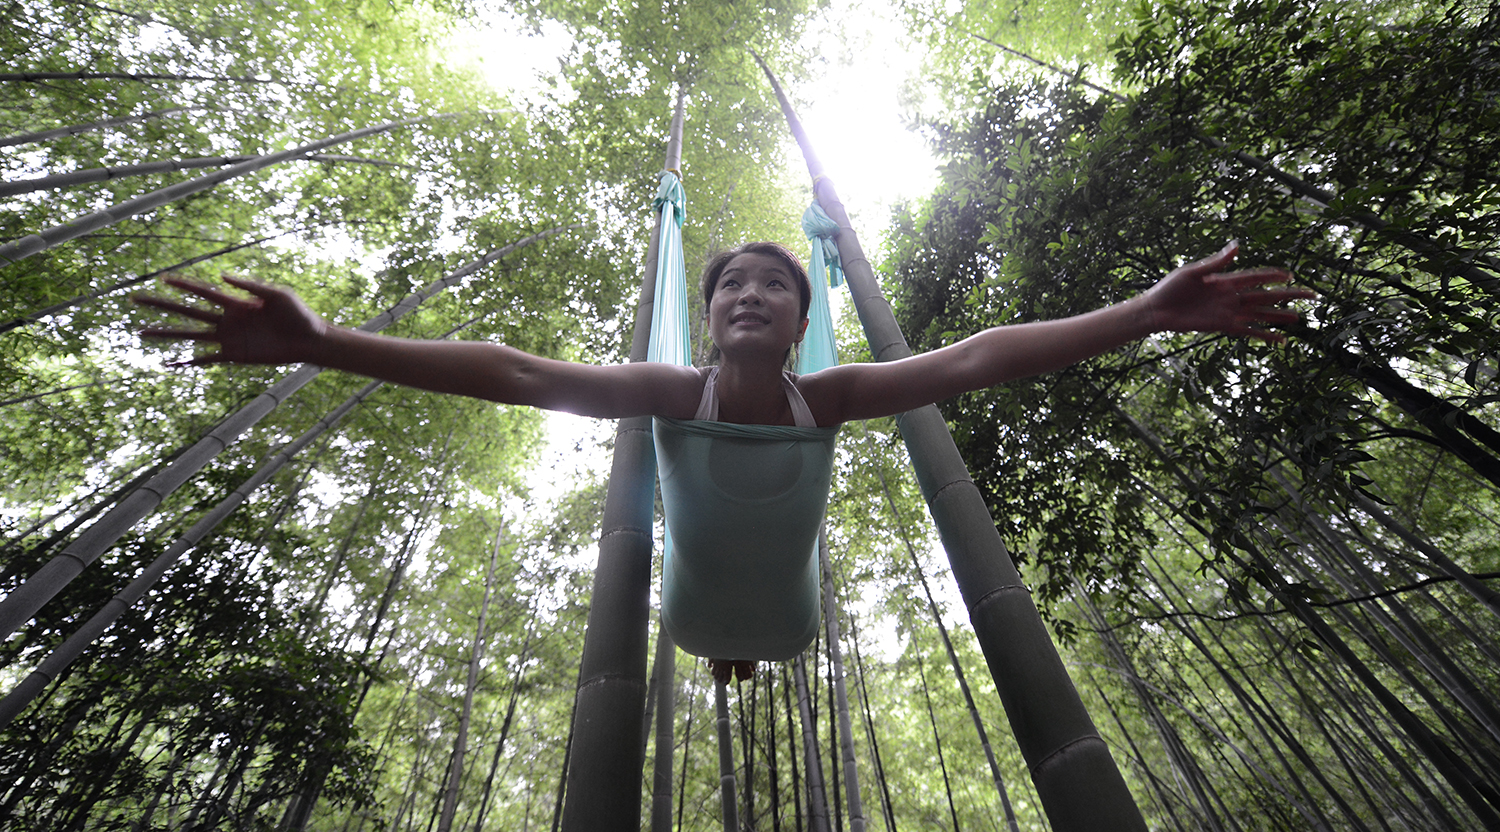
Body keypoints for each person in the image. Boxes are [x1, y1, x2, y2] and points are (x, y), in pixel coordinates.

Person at [135, 239, 1311, 681]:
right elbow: (516, 371)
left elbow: (974, 359)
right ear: (710, 321)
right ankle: (725, 662)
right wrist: (326, 342)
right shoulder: (668, 391)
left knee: (763, 635)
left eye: (776, 287)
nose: (752, 294)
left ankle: (744, 662)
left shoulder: (833, 396)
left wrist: (1141, 313)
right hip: (693, 610)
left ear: (801, 323)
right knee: (711, 634)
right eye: (732, 285)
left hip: (793, 615)